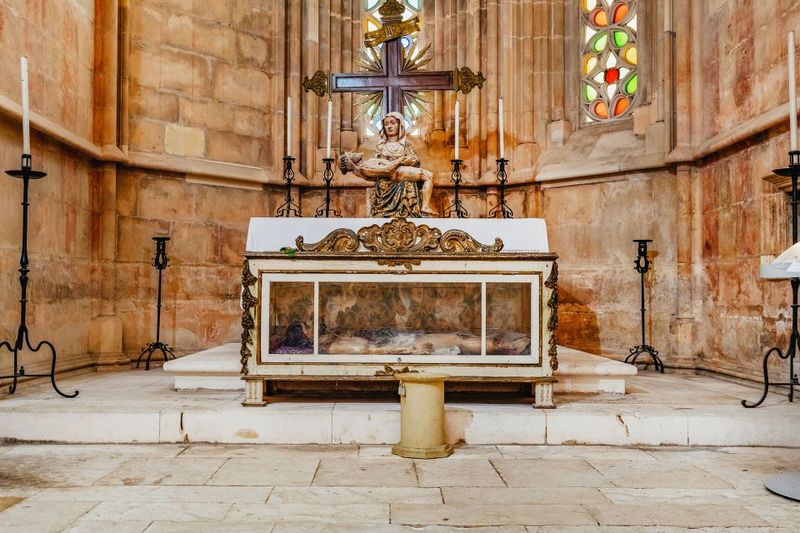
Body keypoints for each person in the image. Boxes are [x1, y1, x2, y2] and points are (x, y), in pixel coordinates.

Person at [339, 112, 436, 217]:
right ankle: (422, 207)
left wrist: (410, 160)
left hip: (402, 173)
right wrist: (398, 161)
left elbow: (415, 159)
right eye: (386, 124)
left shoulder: (406, 144)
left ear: (400, 125)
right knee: (424, 177)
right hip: (387, 177)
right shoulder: (381, 146)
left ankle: (417, 209)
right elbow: (379, 167)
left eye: (393, 123)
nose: (389, 126)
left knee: (410, 183)